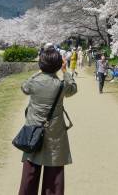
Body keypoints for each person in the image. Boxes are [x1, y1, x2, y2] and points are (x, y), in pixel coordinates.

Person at [18, 45, 77, 195]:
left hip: (33, 131)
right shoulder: (61, 85)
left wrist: (39, 72)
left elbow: (24, 87)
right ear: (58, 65)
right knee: (54, 171)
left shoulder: (34, 83)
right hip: (55, 132)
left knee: (30, 171)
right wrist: (65, 72)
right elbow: (73, 88)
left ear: (41, 64)